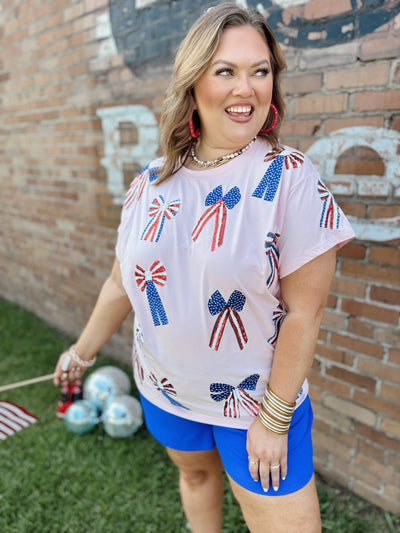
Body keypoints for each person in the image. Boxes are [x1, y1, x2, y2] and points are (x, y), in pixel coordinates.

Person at [54, 3, 355, 532]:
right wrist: (81, 353)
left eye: (260, 71)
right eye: (226, 71)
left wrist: (274, 418)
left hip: (254, 407)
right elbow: (122, 280)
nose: (247, 89)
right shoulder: (149, 184)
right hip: (164, 389)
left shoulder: (290, 178)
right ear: (193, 83)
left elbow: (305, 314)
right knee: (195, 479)